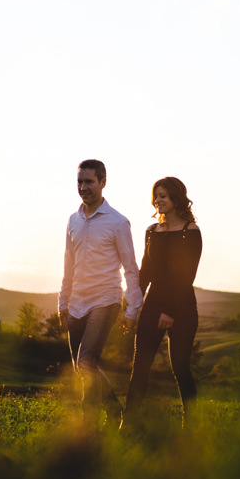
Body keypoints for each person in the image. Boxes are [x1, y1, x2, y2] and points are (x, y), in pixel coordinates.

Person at [58, 159, 142, 425]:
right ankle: (113, 408)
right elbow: (67, 264)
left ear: (103, 183)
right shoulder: (73, 220)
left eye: (89, 182)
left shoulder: (118, 223)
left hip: (105, 300)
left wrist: (132, 308)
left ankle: (88, 424)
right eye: (80, 182)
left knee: (86, 362)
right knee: (83, 367)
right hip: (76, 303)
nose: (83, 187)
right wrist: (62, 302)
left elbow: (130, 268)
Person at [124, 176, 202, 426]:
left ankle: (192, 421)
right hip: (153, 304)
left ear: (177, 198)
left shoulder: (190, 232)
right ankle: (130, 421)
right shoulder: (151, 232)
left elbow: (186, 274)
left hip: (182, 307)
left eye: (163, 195)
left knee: (180, 367)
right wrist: (133, 306)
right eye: (156, 195)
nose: (158, 200)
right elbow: (146, 272)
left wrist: (170, 311)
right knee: (140, 367)